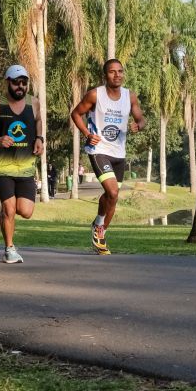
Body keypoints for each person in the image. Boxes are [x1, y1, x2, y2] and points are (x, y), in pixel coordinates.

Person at [71, 58, 145, 255]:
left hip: (119, 153)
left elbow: (141, 119)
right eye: (112, 72)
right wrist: (88, 135)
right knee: (112, 192)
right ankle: (100, 233)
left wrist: (138, 126)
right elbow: (76, 114)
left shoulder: (130, 96)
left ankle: (99, 225)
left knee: (111, 196)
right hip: (99, 151)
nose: (117, 75)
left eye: (120, 71)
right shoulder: (95, 95)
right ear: (106, 75)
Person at [0, 65, 43, 264]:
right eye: (16, 82)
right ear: (8, 82)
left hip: (26, 167)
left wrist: (40, 138)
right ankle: (9, 249)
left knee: (25, 211)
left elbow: (39, 120)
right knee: (10, 209)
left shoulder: (34, 103)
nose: (20, 86)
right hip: (3, 167)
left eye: (24, 83)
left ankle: (6, 212)